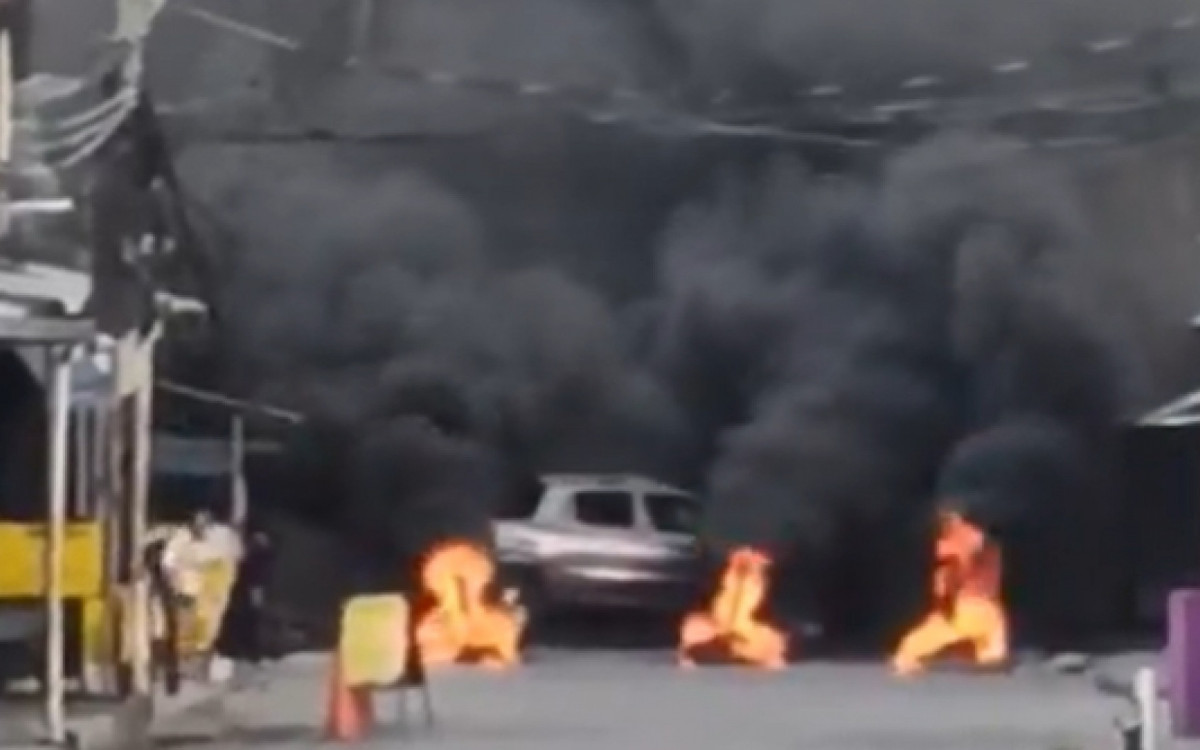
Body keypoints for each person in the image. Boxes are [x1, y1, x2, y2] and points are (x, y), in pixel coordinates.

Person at [214, 524, 274, 685]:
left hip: (239, 595)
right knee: (249, 624)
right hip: (245, 596)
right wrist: (257, 598)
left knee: (242, 624)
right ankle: (250, 655)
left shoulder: (250, 555)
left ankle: (241, 653)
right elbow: (257, 580)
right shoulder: (258, 556)